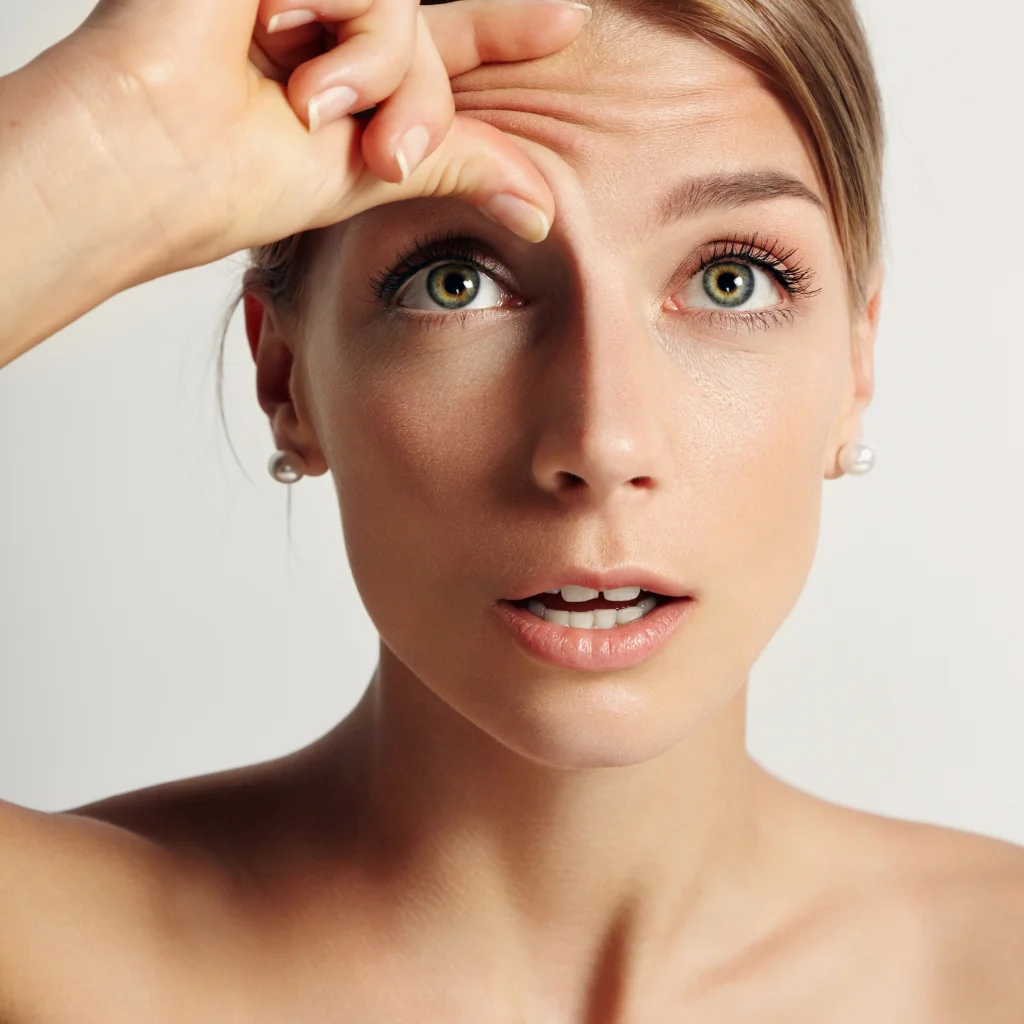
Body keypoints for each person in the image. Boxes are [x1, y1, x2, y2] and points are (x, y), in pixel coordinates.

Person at [1, 0, 1022, 1019]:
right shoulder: (51, 958)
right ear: (287, 377)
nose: (602, 443)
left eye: (730, 280)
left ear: (855, 364)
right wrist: (100, 147)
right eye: (453, 284)